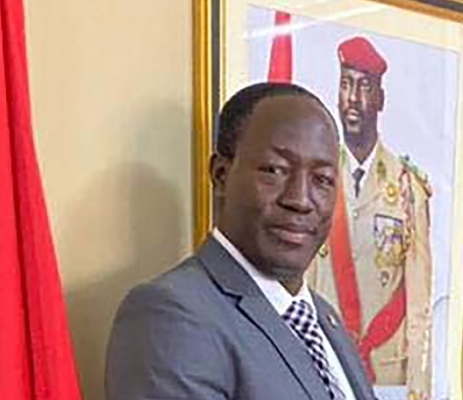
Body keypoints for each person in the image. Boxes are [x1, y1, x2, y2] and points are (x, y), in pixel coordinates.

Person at [106, 82, 376, 400]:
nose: (300, 199)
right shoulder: (171, 314)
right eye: (275, 170)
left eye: (322, 180)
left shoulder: (323, 318)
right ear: (221, 175)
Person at [307, 37, 433, 400]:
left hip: (388, 372)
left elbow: (420, 302)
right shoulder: (315, 181)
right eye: (346, 84)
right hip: (323, 362)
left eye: (364, 86)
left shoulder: (408, 188)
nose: (353, 98)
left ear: (380, 99)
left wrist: (419, 387)